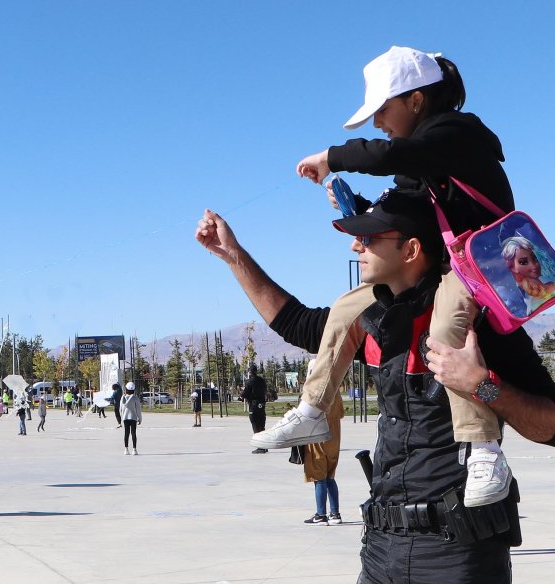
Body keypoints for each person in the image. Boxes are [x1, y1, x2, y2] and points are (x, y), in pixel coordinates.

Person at [195, 191, 555, 581]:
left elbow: (550, 425)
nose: (356, 246)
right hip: (381, 547)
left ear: (411, 250)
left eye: (369, 239)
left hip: (457, 553)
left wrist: (482, 385)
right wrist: (233, 254)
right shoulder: (369, 321)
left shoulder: (477, 326)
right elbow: (296, 324)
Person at [266, 46, 520, 508]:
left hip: (481, 266)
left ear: (416, 101)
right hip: (446, 261)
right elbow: (407, 217)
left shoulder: (454, 134)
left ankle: (484, 450)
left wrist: (332, 157)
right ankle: (312, 408)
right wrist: (361, 208)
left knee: (447, 326)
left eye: (382, 110)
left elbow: (393, 154)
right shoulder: (419, 164)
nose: (379, 122)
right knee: (347, 307)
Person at [303, 389, 344, 525]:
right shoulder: (335, 391)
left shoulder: (315, 388)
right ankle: (335, 513)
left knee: (319, 475)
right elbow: (341, 413)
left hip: (318, 434)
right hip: (334, 436)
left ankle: (321, 515)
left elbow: (305, 413)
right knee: (330, 475)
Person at [241, 365, 268, 454]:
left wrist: (241, 396)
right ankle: (265, 445)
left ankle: (260, 446)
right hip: (262, 404)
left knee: (255, 425)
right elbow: (265, 391)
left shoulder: (249, 381)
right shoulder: (262, 380)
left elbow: (245, 393)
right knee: (262, 425)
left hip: (254, 405)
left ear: (249, 372)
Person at [119, 382, 142, 455]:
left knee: (126, 433)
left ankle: (126, 449)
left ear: (126, 389)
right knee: (133, 433)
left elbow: (120, 409)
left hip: (125, 418)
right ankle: (134, 450)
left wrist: (122, 417)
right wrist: (140, 418)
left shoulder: (123, 398)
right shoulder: (135, 398)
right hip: (133, 418)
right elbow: (138, 410)